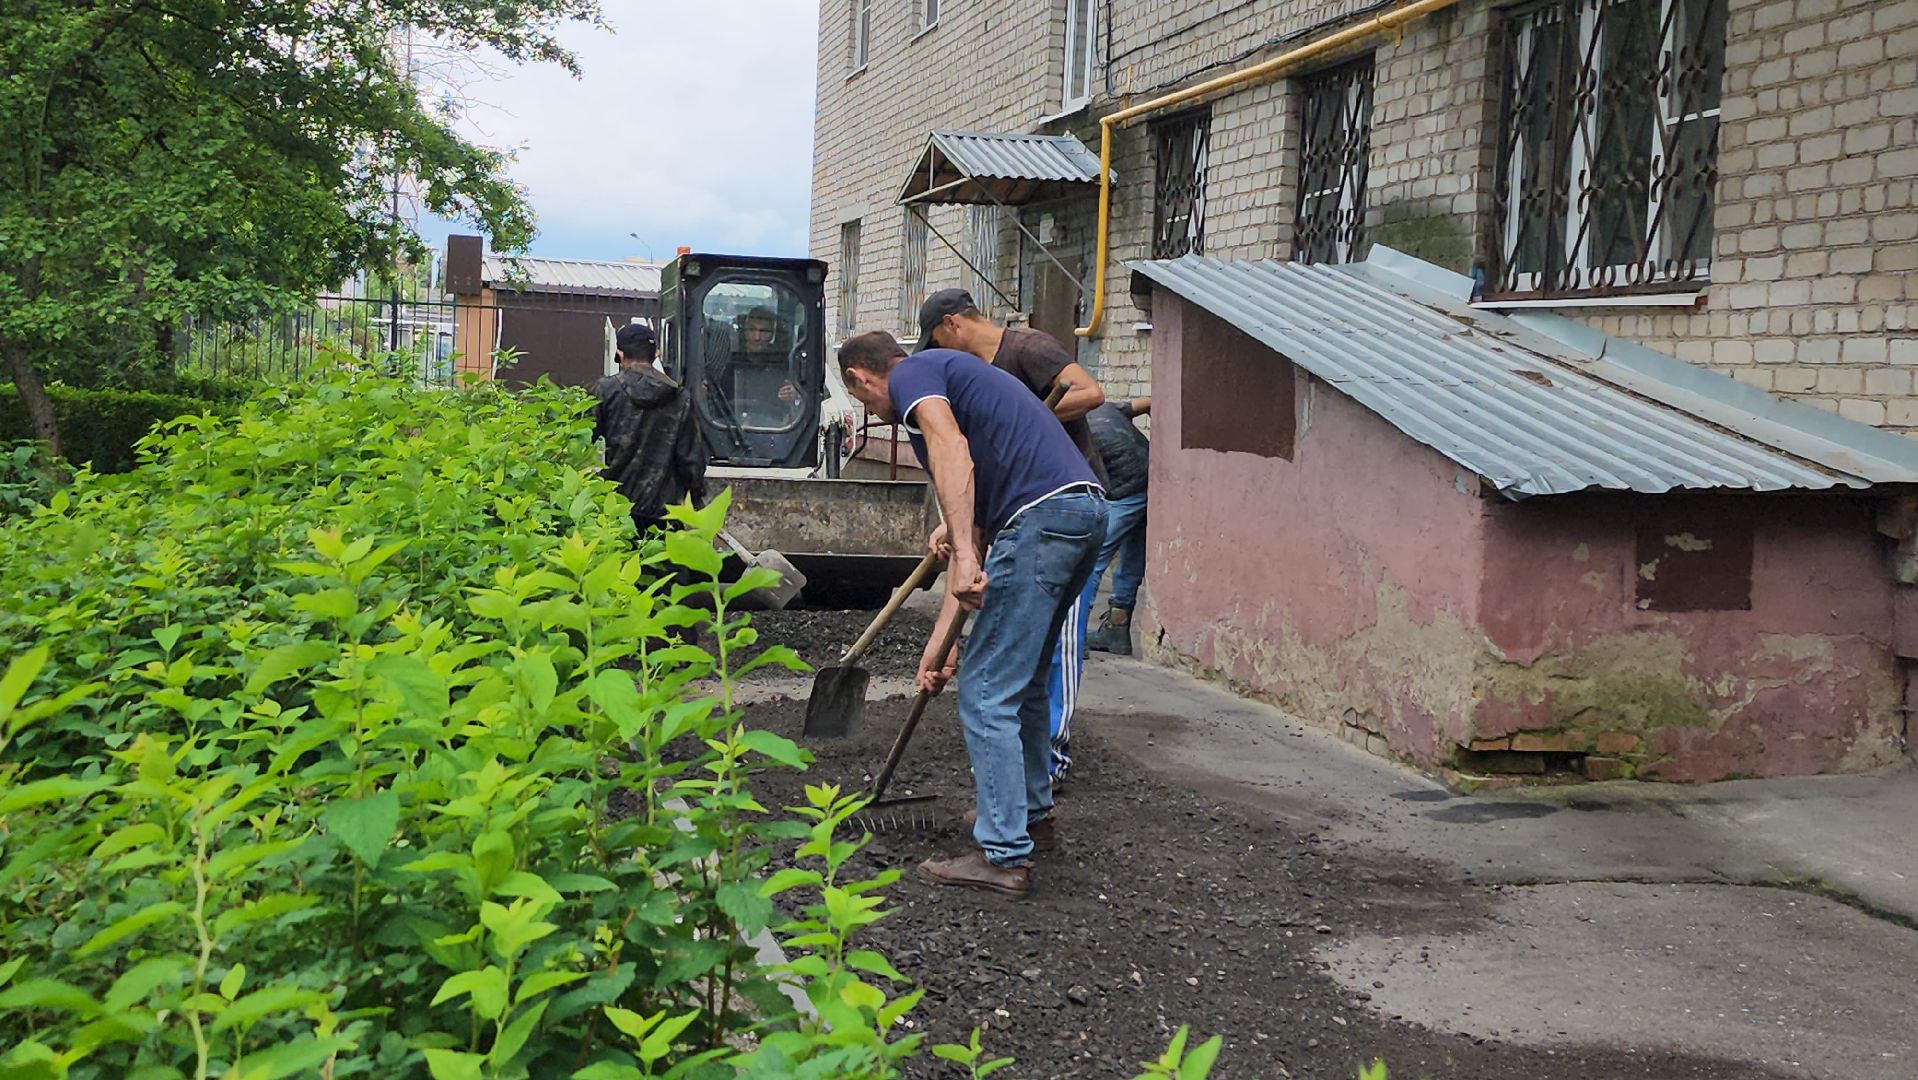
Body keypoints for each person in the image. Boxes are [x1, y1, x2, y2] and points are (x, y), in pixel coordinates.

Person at [838, 330, 1106, 899]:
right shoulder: (968, 389)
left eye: (865, 403)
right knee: (1024, 679)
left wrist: (961, 553)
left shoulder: (915, 376)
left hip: (1041, 521)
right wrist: (941, 648)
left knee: (987, 691)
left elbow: (951, 453)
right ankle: (1031, 818)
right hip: (1080, 514)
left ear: (863, 378)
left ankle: (1003, 854)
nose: (876, 413)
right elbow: (979, 549)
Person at [917, 288, 1105, 781]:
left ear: (954, 324)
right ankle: (1029, 779)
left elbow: (1090, 392)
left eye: (937, 342)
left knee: (1053, 639)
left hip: (1061, 502)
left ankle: (1054, 756)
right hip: (1016, 508)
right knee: (1019, 646)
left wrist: (1027, 417)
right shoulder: (980, 373)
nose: (937, 355)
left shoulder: (1028, 347)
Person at [592, 322, 707, 536]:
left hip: (616, 510)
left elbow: (579, 440)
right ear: (656, 354)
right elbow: (691, 458)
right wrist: (697, 496)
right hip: (664, 513)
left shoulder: (606, 390)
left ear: (620, 353)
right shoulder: (680, 396)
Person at [1083, 397, 1150, 655]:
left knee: (1090, 557)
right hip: (1154, 480)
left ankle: (1073, 636)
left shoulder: (1068, 427)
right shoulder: (1103, 407)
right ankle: (1117, 630)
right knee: (1132, 558)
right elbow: (1150, 403)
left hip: (1127, 490)